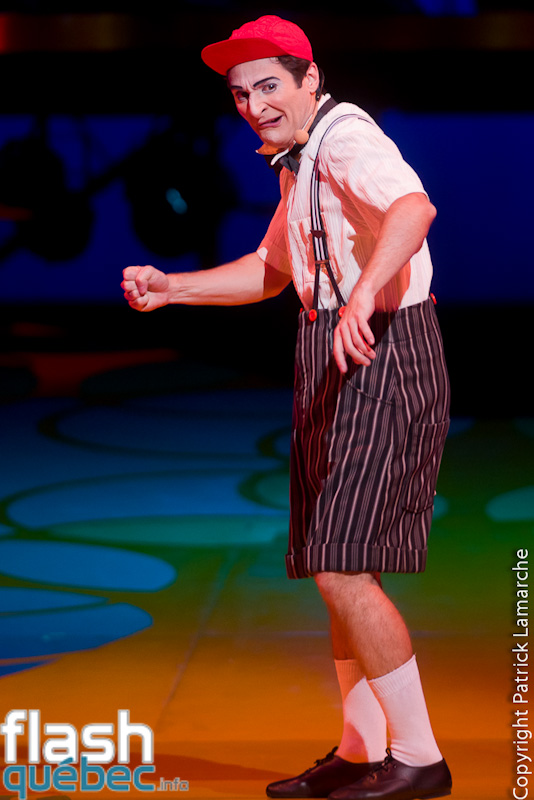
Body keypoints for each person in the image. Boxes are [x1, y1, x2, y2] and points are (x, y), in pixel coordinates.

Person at [122, 15, 452, 800]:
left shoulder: (344, 139)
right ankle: (361, 751)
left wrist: (363, 298)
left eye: (268, 86)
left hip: (382, 349)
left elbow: (414, 210)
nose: (253, 105)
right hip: (329, 351)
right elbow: (270, 269)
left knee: (339, 567)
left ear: (310, 79)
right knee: (332, 564)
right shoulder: (298, 162)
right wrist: (174, 288)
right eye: (240, 94)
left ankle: (421, 759)